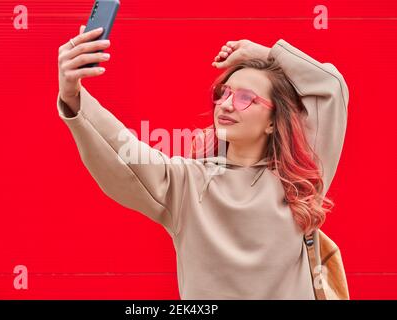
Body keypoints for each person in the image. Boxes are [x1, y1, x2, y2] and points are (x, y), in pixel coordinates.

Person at [57, 25, 349, 299]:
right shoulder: (188, 182)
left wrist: (263, 53)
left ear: (273, 123)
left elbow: (330, 87)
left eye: (246, 98)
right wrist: (73, 95)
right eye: (224, 93)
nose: (227, 103)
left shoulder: (297, 181)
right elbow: (122, 152)